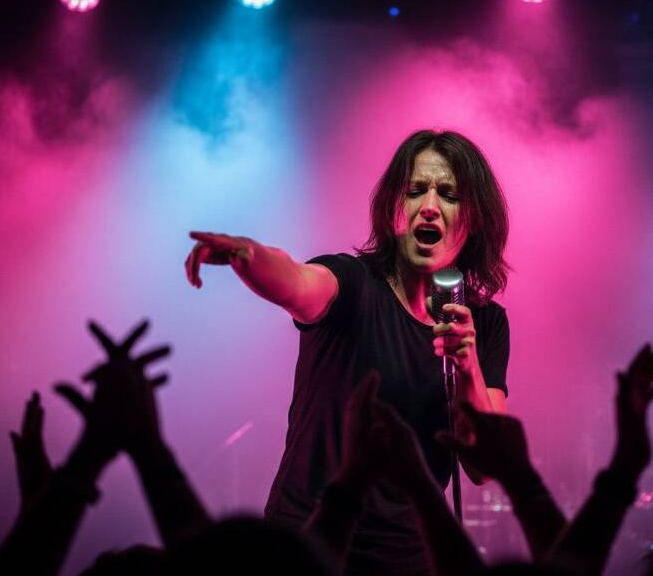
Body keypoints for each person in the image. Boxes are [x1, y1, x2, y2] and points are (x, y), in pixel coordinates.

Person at [185, 130, 511, 575]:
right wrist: (250, 254)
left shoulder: (485, 324)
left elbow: (484, 466)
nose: (429, 205)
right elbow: (296, 279)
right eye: (415, 190)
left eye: (448, 194)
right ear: (395, 208)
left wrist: (467, 364)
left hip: (407, 560)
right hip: (306, 546)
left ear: (474, 218)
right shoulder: (353, 283)